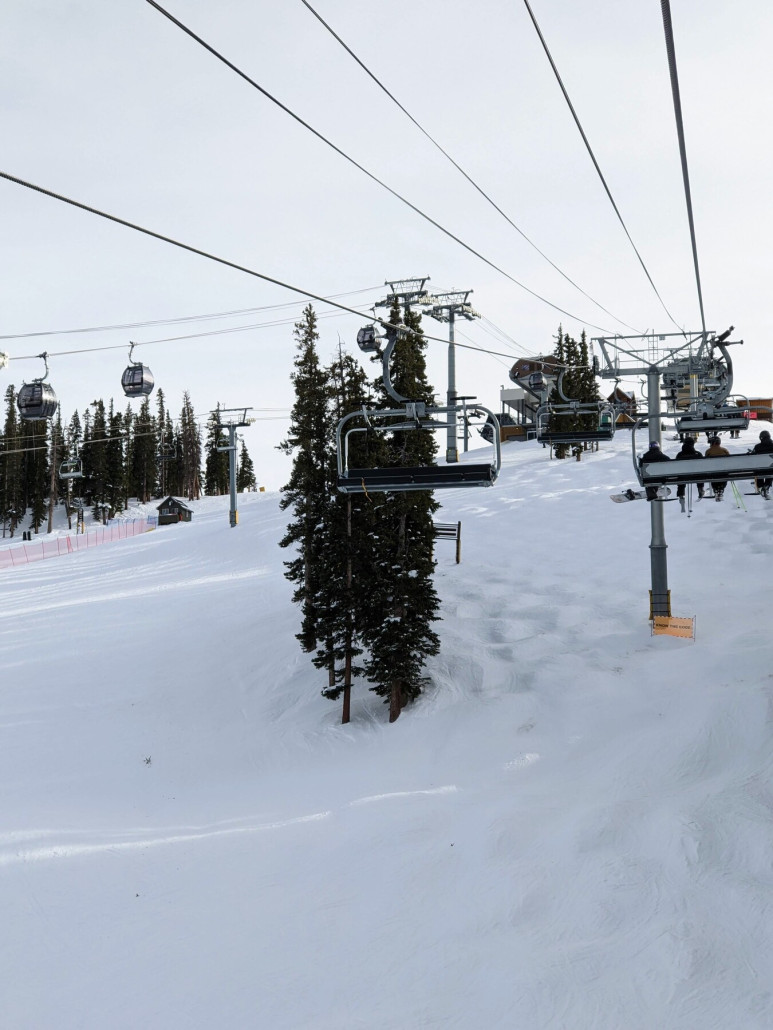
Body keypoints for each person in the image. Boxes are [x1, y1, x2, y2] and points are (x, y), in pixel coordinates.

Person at [674, 436, 704, 510]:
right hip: (696, 476)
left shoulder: (679, 455)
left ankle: (681, 495)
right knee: (700, 474)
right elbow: (703, 465)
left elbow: (676, 466)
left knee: (680, 478)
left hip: (683, 476)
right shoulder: (698, 454)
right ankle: (700, 488)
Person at [704, 435, 730, 501]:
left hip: (713, 471)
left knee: (713, 476)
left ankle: (715, 489)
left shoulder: (708, 451)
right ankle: (721, 489)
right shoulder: (724, 450)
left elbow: (706, 461)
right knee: (723, 476)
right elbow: (730, 459)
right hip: (723, 471)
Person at [751, 429, 773, 498]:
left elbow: (752, 457)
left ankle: (760, 486)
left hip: (760, 469)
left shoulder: (757, 447)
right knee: (770, 470)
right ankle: (767, 485)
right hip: (770, 469)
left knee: (758, 470)